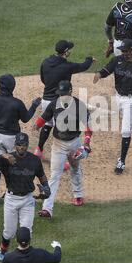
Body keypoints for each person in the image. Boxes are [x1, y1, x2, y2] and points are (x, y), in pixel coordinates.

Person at [0, 132, 50, 261]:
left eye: (24, 145)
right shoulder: (7, 159)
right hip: (11, 199)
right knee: (9, 232)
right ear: (15, 145)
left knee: (27, 231)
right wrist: (2, 156)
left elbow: (41, 176)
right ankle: (3, 248)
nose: (22, 148)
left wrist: (46, 187)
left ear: (27, 145)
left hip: (27, 199)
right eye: (19, 145)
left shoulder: (34, 160)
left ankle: (24, 255)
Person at [35, 80, 92, 218]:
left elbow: (88, 128)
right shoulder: (54, 104)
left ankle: (78, 195)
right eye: (60, 94)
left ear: (71, 91)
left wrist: (86, 143)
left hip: (74, 143)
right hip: (58, 145)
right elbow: (42, 120)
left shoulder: (80, 106)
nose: (62, 96)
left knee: (75, 168)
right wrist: (38, 124)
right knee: (54, 175)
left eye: (64, 94)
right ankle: (47, 208)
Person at [35, 40, 95, 171]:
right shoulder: (67, 66)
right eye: (69, 50)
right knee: (65, 132)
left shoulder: (45, 62)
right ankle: (66, 161)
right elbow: (83, 66)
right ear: (65, 52)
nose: (70, 52)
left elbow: (43, 79)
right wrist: (90, 59)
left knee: (48, 124)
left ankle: (38, 150)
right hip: (59, 103)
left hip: (46, 100)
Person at [94, 39, 132, 175]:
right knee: (128, 120)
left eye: (126, 50)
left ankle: (121, 162)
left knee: (125, 130)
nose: (124, 53)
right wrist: (99, 74)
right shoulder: (116, 60)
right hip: (118, 97)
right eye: (123, 50)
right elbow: (107, 70)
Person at [0, 74, 42, 205]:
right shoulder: (16, 103)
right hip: (12, 138)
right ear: (12, 87)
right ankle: (10, 191)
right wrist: (34, 105)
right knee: (14, 163)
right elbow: (26, 118)